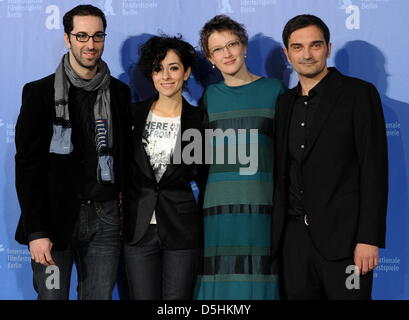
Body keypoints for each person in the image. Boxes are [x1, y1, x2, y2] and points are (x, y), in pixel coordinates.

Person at [14, 5, 131, 300]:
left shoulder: (119, 93)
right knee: (52, 296)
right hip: (53, 221)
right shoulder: (39, 92)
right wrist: (36, 231)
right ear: (67, 39)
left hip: (105, 220)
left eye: (97, 36)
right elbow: (28, 168)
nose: (90, 45)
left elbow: (125, 159)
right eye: (82, 36)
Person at [273, 14, 388, 299]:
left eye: (315, 45)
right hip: (294, 243)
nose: (307, 54)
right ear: (287, 54)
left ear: (328, 47)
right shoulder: (284, 102)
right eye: (297, 47)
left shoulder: (359, 94)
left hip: (347, 243)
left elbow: (374, 170)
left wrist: (368, 239)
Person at [194, 15, 285, 300]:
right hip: (217, 210)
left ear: (244, 47)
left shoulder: (274, 91)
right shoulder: (209, 96)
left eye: (232, 44)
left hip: (262, 207)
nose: (227, 53)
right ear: (210, 57)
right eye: (218, 49)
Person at [123, 35, 207, 300]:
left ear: (187, 72)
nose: (166, 76)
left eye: (173, 67)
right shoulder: (132, 114)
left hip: (181, 228)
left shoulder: (199, 120)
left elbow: (205, 176)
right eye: (158, 69)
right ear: (151, 73)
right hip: (138, 226)